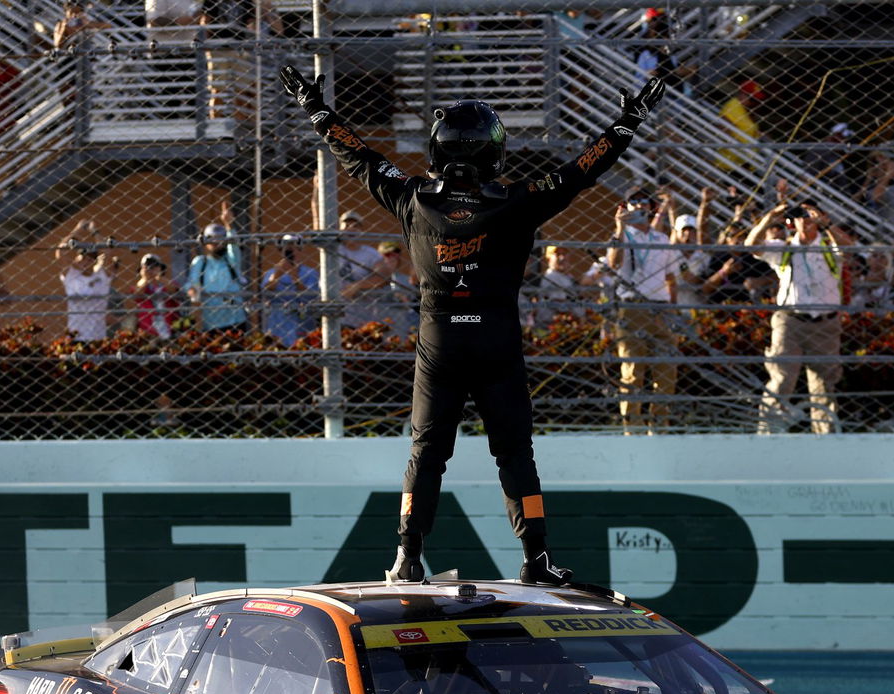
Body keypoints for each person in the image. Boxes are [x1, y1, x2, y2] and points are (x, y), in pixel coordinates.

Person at [280, 63, 665, 584]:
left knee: (427, 451)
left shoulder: (412, 196)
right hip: (496, 339)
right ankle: (536, 560)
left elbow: (356, 155)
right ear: (494, 150)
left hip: (439, 340)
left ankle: (407, 558)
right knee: (514, 452)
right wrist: (628, 120)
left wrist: (315, 108)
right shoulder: (522, 199)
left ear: (439, 149)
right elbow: (583, 169)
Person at [746, 200, 850, 433]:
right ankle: (768, 432)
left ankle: (825, 437)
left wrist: (827, 223)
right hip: (790, 320)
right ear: (791, 222)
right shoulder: (783, 248)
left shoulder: (828, 245)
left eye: (810, 214)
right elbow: (751, 245)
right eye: (800, 215)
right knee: (782, 379)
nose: (806, 218)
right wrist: (770, 217)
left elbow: (849, 248)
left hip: (825, 321)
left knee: (824, 384)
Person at [608, 188, 679, 432]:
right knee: (633, 371)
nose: (639, 206)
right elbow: (613, 263)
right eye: (633, 202)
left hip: (660, 307)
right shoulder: (623, 235)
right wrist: (619, 227)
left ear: (651, 208)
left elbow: (671, 277)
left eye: (643, 202)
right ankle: (633, 428)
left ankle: (659, 425)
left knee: (666, 370)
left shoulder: (662, 239)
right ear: (625, 207)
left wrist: (674, 309)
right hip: (632, 307)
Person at [185, 203, 247, 333]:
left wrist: (228, 224)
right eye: (211, 240)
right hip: (210, 322)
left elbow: (234, 245)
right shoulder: (200, 262)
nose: (215, 243)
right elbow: (192, 284)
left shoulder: (231, 259)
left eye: (219, 239)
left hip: (234, 320)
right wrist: (192, 291)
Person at [335, 209, 392, 333]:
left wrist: (358, 285)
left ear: (361, 231)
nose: (351, 228)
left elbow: (384, 278)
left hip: (361, 317)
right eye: (346, 225)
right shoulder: (333, 250)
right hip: (335, 315)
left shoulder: (371, 254)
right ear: (340, 229)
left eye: (356, 226)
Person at [261, 233, 318, 345]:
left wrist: (295, 277)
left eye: (294, 249)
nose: (291, 252)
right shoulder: (271, 273)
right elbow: (265, 294)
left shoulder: (310, 273)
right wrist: (277, 275)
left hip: (302, 328)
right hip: (277, 327)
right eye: (287, 250)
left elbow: (311, 297)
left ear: (300, 250)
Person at [58, 240, 117, 341]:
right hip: (75, 334)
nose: (86, 262)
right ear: (77, 259)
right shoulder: (72, 276)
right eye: (83, 258)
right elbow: (60, 251)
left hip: (98, 335)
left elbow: (108, 252)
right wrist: (78, 228)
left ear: (95, 261)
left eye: (90, 259)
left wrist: (94, 231)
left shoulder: (102, 276)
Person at [129, 254, 181, 338]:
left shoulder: (167, 283)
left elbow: (174, 290)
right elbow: (137, 292)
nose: (150, 268)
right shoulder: (141, 285)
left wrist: (158, 276)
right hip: (148, 331)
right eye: (147, 266)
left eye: (154, 266)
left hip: (169, 328)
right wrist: (145, 278)